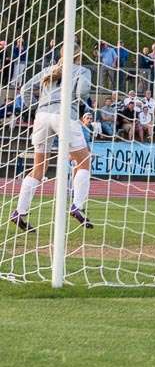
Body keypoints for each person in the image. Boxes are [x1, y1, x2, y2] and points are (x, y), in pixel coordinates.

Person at [11, 44, 95, 232]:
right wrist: (79, 106)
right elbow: (81, 93)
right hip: (64, 115)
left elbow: (25, 89)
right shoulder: (82, 70)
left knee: (39, 168)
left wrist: (35, 107)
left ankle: (19, 211)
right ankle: (77, 206)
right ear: (78, 55)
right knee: (84, 161)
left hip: (41, 117)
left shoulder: (49, 70)